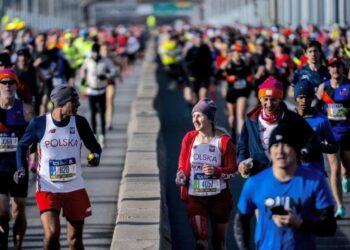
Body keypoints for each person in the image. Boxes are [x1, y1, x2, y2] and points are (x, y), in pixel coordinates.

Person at [14, 85, 102, 250]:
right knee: (52, 234)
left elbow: (95, 147)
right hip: (48, 187)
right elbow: (21, 146)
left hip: (74, 187)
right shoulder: (39, 124)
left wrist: (95, 156)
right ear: (61, 103)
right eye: (74, 101)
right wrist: (20, 168)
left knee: (75, 240)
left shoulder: (80, 122)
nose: (78, 104)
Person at [234, 123, 337, 250]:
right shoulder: (255, 182)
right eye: (276, 145)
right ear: (270, 151)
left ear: (297, 151)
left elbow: (329, 227)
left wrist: (299, 224)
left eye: (287, 145)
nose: (280, 151)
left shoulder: (315, 181)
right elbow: (241, 222)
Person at [175, 98, 237, 250]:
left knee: (219, 243)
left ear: (209, 118)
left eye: (199, 115)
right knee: (201, 242)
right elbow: (181, 167)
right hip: (196, 197)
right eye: (193, 116)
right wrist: (180, 176)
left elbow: (233, 170)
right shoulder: (189, 138)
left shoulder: (223, 141)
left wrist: (218, 172)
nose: (194, 119)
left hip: (219, 198)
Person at [237, 76, 318, 177]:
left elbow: (312, 141)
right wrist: (241, 162)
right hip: (259, 174)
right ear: (260, 99)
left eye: (273, 100)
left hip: (288, 173)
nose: (269, 104)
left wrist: (303, 153)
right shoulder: (251, 120)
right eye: (265, 99)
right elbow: (242, 146)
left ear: (280, 99)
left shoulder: (292, 119)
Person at [294, 79, 345, 218]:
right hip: (294, 173)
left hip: (315, 174)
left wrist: (321, 146)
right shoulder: (289, 119)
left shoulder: (321, 120)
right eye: (301, 97)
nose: (304, 101)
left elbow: (334, 146)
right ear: (296, 98)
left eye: (307, 97)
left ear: (312, 98)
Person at [0, 69, 33, 249]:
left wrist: (35, 160)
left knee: (18, 210)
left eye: (11, 82)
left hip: (18, 167)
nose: (7, 86)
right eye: (3, 83)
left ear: (16, 85)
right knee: (2, 212)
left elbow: (35, 137)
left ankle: (18, 246)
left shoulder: (25, 109)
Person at [316, 57, 350, 200]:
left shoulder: (349, 86)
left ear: (343, 69)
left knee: (346, 164)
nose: (335, 69)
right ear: (328, 70)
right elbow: (317, 109)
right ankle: (339, 205)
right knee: (334, 168)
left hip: (347, 131)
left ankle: (346, 176)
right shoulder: (323, 87)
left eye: (338, 66)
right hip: (330, 132)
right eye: (332, 67)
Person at [81, 42, 117, 148]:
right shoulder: (88, 61)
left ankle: (102, 136)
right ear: (92, 52)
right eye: (93, 52)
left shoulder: (105, 61)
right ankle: (94, 135)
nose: (95, 54)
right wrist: (83, 79)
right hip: (91, 90)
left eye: (96, 52)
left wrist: (106, 76)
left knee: (102, 113)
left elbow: (114, 71)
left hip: (102, 90)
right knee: (93, 113)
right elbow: (83, 70)